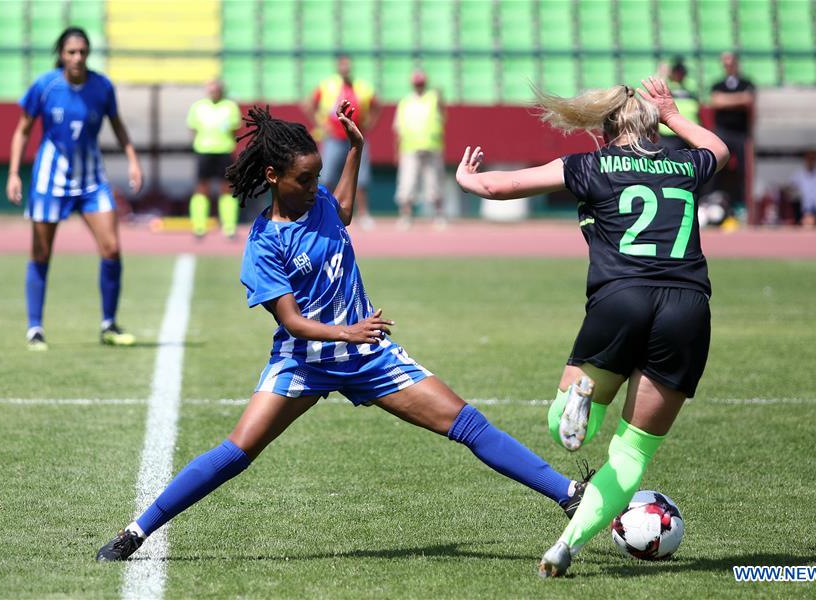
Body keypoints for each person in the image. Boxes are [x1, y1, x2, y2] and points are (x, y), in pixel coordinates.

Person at [95, 102, 591, 562]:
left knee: (467, 424)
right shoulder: (264, 245)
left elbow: (345, 211)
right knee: (236, 451)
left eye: (317, 177)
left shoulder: (320, 200)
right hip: (304, 360)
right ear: (272, 176)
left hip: (368, 355)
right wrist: (346, 333)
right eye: (305, 178)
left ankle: (569, 495)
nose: (315, 186)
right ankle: (136, 531)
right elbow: (289, 320)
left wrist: (356, 149)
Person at [454, 77, 728, 577]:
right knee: (633, 451)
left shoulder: (592, 164)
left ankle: (579, 399)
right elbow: (718, 147)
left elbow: (499, 187)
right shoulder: (685, 165)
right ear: (656, 129)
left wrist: (471, 180)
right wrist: (672, 113)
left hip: (620, 300)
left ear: (604, 133)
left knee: (564, 427)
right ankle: (565, 546)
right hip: (688, 307)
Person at [6, 27, 142, 351]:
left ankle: (109, 324)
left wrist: (133, 159)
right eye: (71, 52)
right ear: (61, 55)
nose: (77, 57)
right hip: (49, 180)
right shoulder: (45, 85)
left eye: (82, 51)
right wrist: (13, 173)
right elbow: (22, 130)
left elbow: (118, 125)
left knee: (111, 249)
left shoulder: (101, 86)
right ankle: (35, 328)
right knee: (41, 253)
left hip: (92, 179)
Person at [307, 54, 378, 229]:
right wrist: (321, 125)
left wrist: (368, 124)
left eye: (348, 65)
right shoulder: (327, 85)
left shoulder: (362, 86)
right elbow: (310, 104)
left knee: (360, 177)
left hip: (355, 137)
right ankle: (324, 211)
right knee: (326, 176)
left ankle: (363, 214)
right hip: (333, 138)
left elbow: (376, 105)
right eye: (342, 65)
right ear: (338, 67)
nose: (345, 69)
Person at [186, 79, 241, 239]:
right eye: (210, 88)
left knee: (227, 187)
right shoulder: (198, 107)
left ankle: (229, 227)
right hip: (204, 151)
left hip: (224, 151)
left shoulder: (230, 107)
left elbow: (235, 130)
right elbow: (193, 129)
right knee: (202, 187)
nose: (213, 91)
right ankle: (199, 226)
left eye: (216, 88)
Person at [392, 69, 447, 229]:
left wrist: (440, 96)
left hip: (431, 147)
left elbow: (443, 115)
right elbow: (398, 128)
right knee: (407, 184)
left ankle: (439, 214)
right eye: (417, 83)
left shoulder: (433, 98)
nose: (419, 86)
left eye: (421, 83)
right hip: (410, 148)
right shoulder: (405, 102)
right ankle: (406, 215)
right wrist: (397, 150)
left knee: (434, 183)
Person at [709, 52, 755, 225]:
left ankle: (744, 206)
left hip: (741, 133)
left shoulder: (747, 83)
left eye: (731, 63)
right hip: (723, 132)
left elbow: (749, 100)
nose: (728, 66)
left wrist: (727, 100)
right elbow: (716, 101)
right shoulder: (717, 84)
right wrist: (739, 99)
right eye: (725, 63)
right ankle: (709, 201)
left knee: (745, 170)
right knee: (714, 166)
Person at [658, 57, 700, 152]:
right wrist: (662, 74)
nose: (679, 74)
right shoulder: (666, 85)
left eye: (682, 71)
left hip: (689, 133)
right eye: (676, 71)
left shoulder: (690, 86)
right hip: (667, 133)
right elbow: (651, 93)